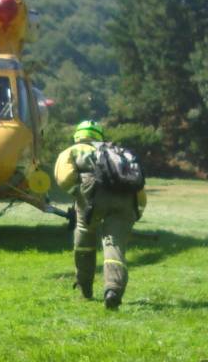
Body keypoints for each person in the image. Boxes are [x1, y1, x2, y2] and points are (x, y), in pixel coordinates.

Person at [53, 121, 146, 310]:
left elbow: (64, 178)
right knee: (114, 245)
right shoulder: (116, 152)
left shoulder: (73, 151)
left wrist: (79, 194)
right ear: (99, 136)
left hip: (93, 198)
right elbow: (138, 188)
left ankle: (85, 287)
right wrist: (138, 211)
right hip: (126, 200)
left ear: (77, 135)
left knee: (84, 240)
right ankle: (113, 289)